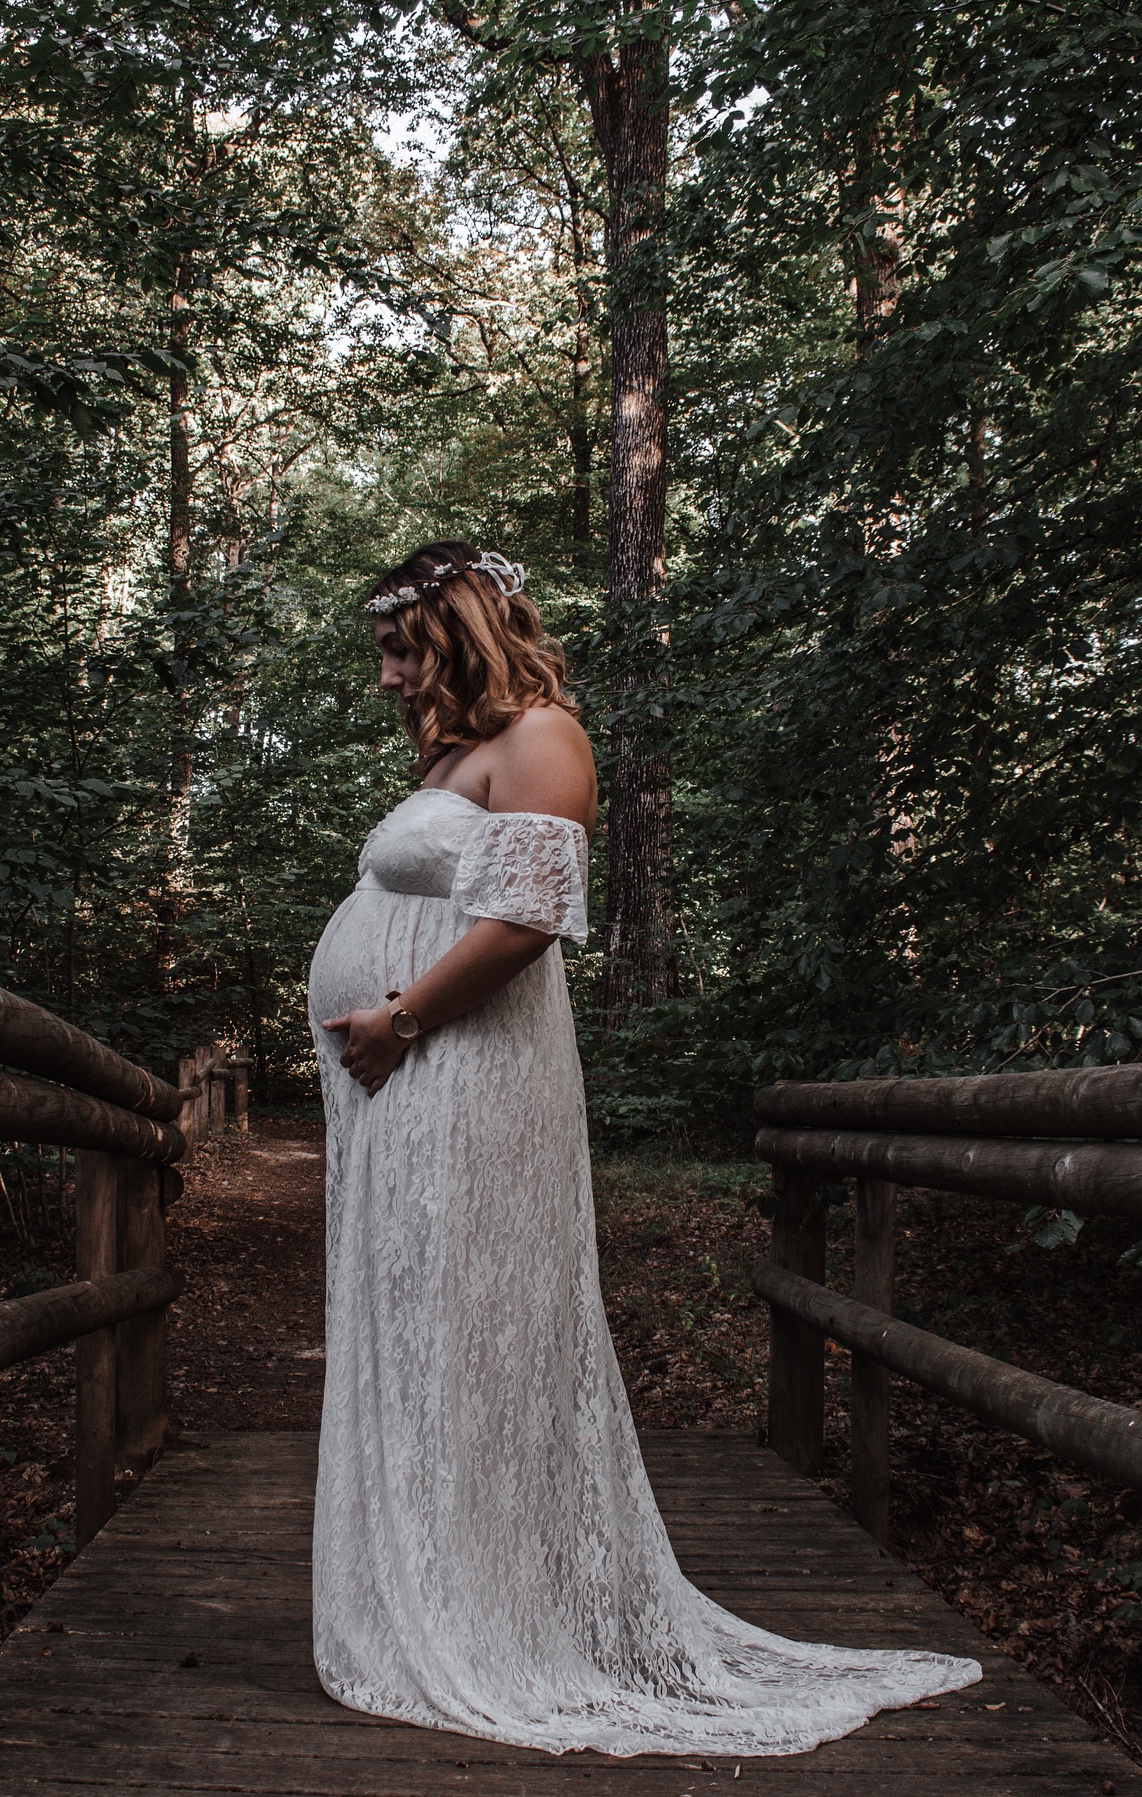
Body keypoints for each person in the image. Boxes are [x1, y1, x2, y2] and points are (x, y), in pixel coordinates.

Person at [307, 541, 980, 1758]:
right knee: (419, 1320)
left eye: (403, 649)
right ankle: (435, 1577)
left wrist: (402, 1020)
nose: (392, 677)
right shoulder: (457, 753)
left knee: (473, 1318)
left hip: (463, 1072)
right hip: (409, 1080)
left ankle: (504, 1610)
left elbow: (525, 921)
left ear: (460, 628)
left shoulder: (545, 740)